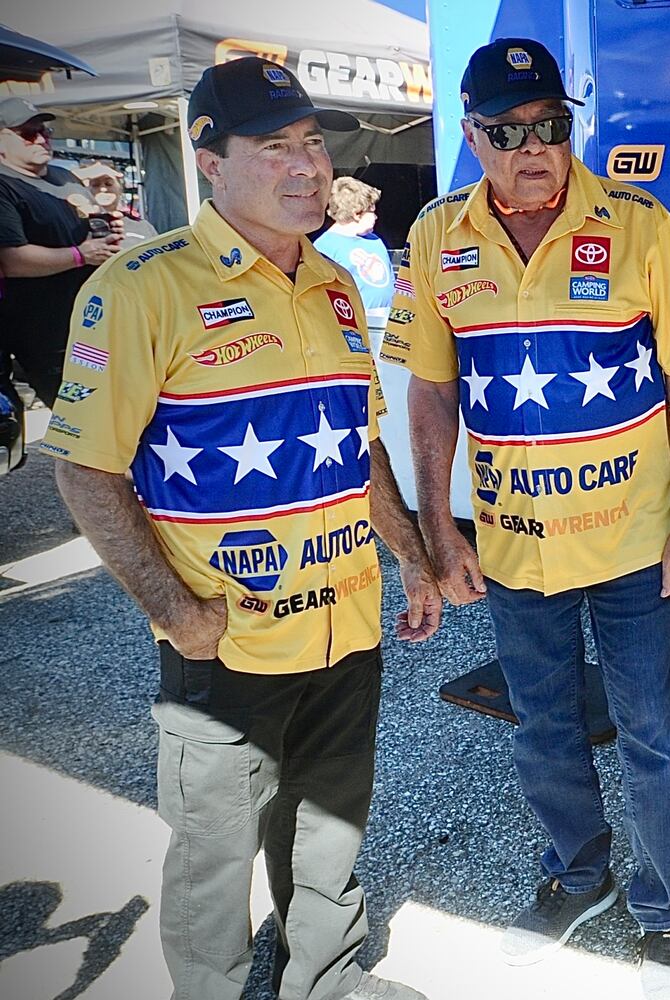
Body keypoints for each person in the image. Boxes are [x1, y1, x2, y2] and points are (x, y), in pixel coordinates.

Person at [45, 58, 440, 1000]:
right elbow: (83, 466)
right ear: (210, 160)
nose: (305, 166)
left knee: (331, 826)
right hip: (228, 644)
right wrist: (179, 615)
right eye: (275, 148)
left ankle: (326, 979)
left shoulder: (339, 281)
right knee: (214, 854)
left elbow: (361, 445)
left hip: (346, 624)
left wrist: (414, 563)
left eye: (311, 143)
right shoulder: (140, 286)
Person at [380, 37, 670, 995]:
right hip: (514, 541)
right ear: (473, 135)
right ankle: (578, 876)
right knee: (542, 727)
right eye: (510, 130)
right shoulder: (439, 236)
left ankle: (662, 906)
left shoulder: (641, 222)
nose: (536, 148)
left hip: (635, 536)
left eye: (552, 126)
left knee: (654, 732)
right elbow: (432, 393)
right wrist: (441, 532)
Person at [0, 97, 123, 408]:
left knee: (120, 409)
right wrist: (81, 255)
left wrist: (108, 230)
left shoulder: (63, 175)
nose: (41, 138)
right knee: (78, 418)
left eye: (45, 131)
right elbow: (13, 260)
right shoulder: (4, 185)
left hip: (95, 319)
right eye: (28, 133)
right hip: (45, 332)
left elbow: (89, 223)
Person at [314, 176, 394, 334]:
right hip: (354, 328)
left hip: (388, 323)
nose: (376, 217)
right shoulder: (324, 248)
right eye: (372, 212)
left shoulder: (375, 239)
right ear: (357, 214)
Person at [71, 160, 159, 243]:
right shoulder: (73, 225)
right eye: (95, 185)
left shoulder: (142, 226)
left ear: (120, 188)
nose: (103, 189)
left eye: (108, 184)